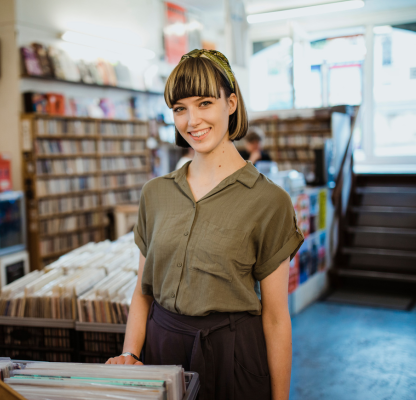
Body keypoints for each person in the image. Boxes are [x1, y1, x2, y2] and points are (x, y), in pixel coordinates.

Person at [106, 49, 304, 400]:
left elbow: (275, 318)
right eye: (180, 108)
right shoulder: (155, 193)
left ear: (230, 103)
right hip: (161, 351)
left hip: (233, 356)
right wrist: (131, 355)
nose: (191, 120)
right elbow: (143, 292)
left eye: (204, 103)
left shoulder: (270, 201)